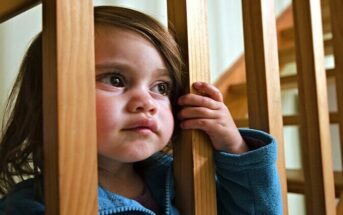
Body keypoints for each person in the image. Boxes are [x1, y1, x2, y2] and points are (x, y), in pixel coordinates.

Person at [0, 6, 282, 215]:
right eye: (116, 80)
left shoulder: (185, 178)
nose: (146, 102)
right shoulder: (34, 205)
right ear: (48, 97)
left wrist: (234, 147)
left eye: (160, 87)